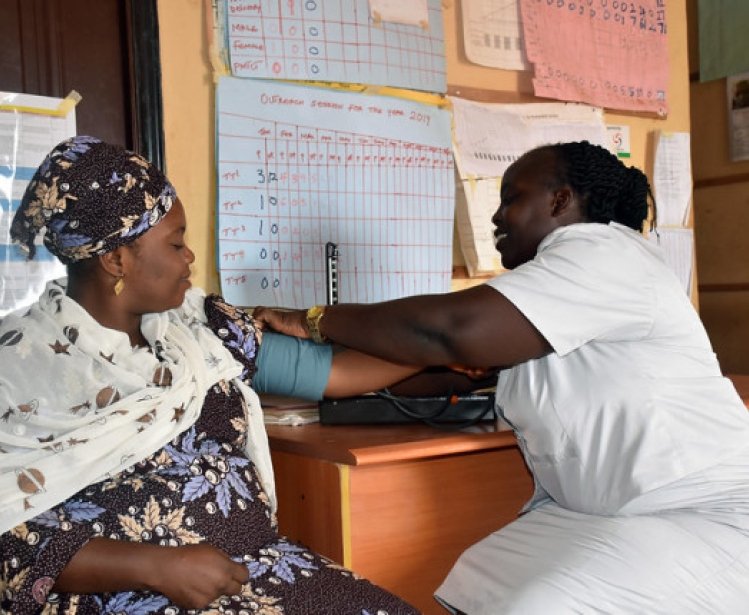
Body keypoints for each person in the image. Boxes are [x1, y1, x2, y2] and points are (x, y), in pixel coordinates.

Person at [254, 141, 749, 613]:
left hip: (699, 511)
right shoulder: (544, 292)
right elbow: (435, 369)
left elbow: (453, 331)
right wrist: (285, 358)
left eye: (511, 198)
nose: (495, 217)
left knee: (543, 604)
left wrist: (313, 319)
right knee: (489, 576)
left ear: (560, 201)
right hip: (600, 510)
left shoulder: (604, 252)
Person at [0, 136, 423, 614]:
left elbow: (334, 373)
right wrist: (157, 567)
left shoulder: (199, 328)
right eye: (176, 243)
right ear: (115, 260)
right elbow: (9, 541)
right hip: (125, 595)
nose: (190, 259)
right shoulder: (17, 368)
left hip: (258, 571)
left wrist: (439, 352)